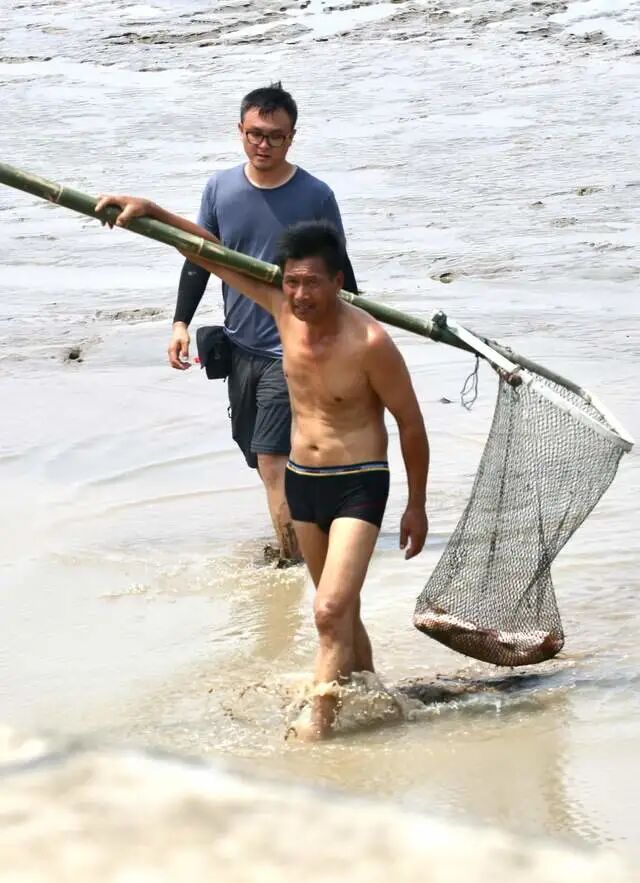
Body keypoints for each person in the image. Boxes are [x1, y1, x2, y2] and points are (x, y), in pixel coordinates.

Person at [95, 195, 429, 740]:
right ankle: (378, 703)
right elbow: (209, 253)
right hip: (303, 482)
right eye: (291, 282)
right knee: (342, 613)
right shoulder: (281, 310)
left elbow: (411, 425)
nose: (299, 294)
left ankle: (317, 729)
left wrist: (416, 506)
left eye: (312, 283)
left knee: (328, 610)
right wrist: (149, 209)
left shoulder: (371, 342)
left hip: (359, 484)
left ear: (338, 281)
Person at [168, 82, 358, 566]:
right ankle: (312, 526)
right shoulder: (220, 189)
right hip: (240, 346)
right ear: (240, 131)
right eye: (255, 134)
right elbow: (199, 259)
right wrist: (180, 323)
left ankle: (293, 564)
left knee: (272, 459)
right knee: (257, 453)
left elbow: (342, 273)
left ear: (292, 137)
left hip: (294, 350)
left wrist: (356, 340)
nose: (264, 145)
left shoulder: (315, 196)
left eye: (275, 136)